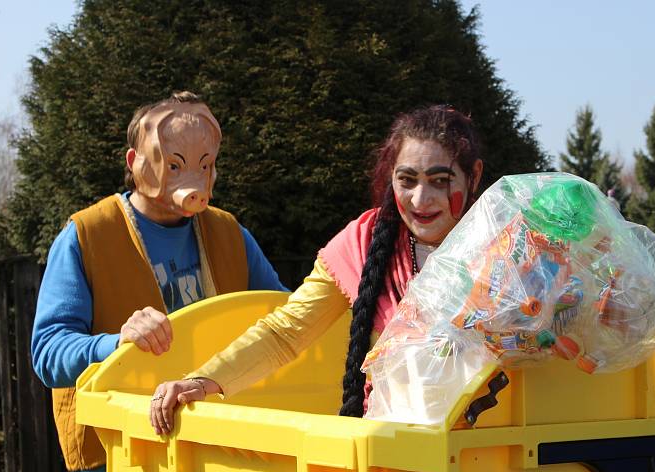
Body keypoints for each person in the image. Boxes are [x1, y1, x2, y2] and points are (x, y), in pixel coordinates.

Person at [31, 91, 286, 472]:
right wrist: (116, 344)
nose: (195, 178)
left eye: (205, 165)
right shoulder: (86, 235)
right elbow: (47, 353)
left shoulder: (229, 233)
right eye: (175, 164)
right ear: (135, 161)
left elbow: (283, 320)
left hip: (222, 459)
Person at [150, 104, 483, 432]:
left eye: (440, 180)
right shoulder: (361, 244)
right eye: (407, 180)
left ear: (474, 176)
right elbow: (284, 333)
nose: (420, 199)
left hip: (497, 458)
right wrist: (204, 380)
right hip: (397, 456)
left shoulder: (510, 249)